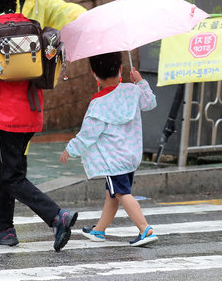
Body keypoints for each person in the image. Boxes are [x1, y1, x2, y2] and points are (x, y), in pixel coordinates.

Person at [0, 0, 77, 252]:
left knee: (11, 176)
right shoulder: (30, 25)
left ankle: (57, 216)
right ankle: (1, 229)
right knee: (2, 171)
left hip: (5, 116)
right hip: (30, 112)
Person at [0, 0, 86, 195]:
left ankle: (53, 214)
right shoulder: (4, 14)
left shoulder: (37, 4)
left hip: (8, 96)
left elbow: (63, 11)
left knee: (8, 166)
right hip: (14, 96)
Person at [60, 52, 159, 247]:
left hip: (114, 160)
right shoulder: (132, 91)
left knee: (121, 193)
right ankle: (99, 230)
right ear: (121, 69)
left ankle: (144, 228)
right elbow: (150, 103)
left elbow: (88, 134)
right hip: (130, 156)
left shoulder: (98, 104)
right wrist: (140, 82)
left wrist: (70, 149)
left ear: (94, 74)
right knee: (112, 194)